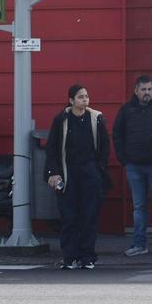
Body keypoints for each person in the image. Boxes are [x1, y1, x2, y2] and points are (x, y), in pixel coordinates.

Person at [45, 84, 110, 270]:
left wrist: (99, 169)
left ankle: (88, 256)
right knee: (69, 216)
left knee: (90, 215)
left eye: (86, 96)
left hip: (90, 172)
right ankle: (70, 257)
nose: (84, 100)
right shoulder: (61, 119)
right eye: (80, 97)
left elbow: (105, 146)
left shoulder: (96, 118)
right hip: (68, 172)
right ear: (71, 100)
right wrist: (53, 172)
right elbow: (52, 148)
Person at [113, 75, 152, 258]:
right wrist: (124, 159)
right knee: (139, 207)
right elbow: (117, 134)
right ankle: (139, 245)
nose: (147, 93)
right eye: (143, 89)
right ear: (136, 91)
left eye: (149, 89)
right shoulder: (126, 110)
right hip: (134, 165)